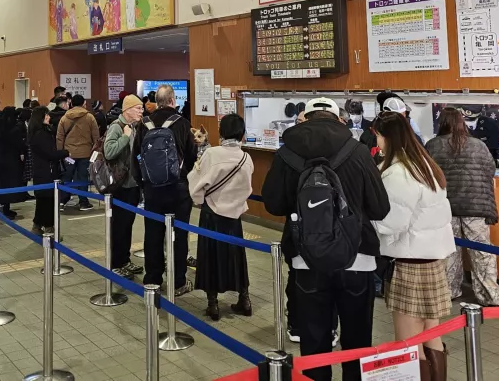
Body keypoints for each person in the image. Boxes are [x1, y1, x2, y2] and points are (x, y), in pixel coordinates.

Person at [262, 97, 390, 381]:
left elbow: (272, 204)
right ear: (340, 120)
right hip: (357, 258)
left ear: (304, 119)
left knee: (314, 341)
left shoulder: (287, 153)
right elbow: (381, 207)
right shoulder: (357, 151)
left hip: (306, 257)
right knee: (357, 341)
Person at [372, 112, 455, 381]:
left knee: (408, 342)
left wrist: (367, 221)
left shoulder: (399, 172)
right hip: (432, 261)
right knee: (431, 335)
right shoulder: (425, 165)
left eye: (378, 136)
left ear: (386, 136)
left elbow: (391, 223)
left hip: (409, 265)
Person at [426, 108, 499, 307]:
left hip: (446, 208)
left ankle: (450, 290)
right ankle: (489, 295)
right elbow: (489, 170)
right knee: (482, 253)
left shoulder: (433, 146)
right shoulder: (478, 145)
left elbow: (427, 175)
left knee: (449, 252)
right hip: (476, 208)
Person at [132, 84, 198, 297]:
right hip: (178, 189)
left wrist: (144, 185)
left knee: (153, 234)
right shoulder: (182, 123)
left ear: (157, 102)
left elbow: (136, 159)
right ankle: (178, 281)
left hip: (152, 190)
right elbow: (191, 157)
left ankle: (152, 280)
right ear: (172, 100)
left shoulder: (143, 124)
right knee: (179, 235)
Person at [188, 113, 254, 321]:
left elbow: (196, 181)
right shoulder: (246, 157)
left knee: (210, 256)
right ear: (242, 134)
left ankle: (213, 304)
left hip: (211, 213)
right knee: (236, 255)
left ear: (221, 132)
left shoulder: (212, 154)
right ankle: (244, 299)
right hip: (234, 216)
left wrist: (199, 199)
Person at [103, 94, 145, 278]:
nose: (141, 111)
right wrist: (125, 138)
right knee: (119, 226)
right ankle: (115, 263)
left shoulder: (134, 126)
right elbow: (109, 151)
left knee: (127, 224)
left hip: (132, 184)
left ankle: (124, 260)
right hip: (120, 186)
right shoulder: (117, 127)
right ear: (127, 110)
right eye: (138, 108)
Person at [29, 105, 69, 234]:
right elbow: (49, 154)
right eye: (46, 115)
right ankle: (49, 228)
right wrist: (65, 153)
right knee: (48, 201)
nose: (48, 117)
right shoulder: (41, 134)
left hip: (42, 172)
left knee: (42, 200)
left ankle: (37, 225)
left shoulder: (39, 132)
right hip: (47, 172)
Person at [56, 94, 99, 210]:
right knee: (83, 177)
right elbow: (96, 137)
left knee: (67, 177)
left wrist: (61, 152)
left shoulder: (64, 118)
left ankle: (62, 201)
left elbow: (59, 137)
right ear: (83, 103)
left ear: (71, 104)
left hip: (68, 154)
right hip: (85, 153)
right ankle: (83, 202)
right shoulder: (90, 117)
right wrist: (95, 152)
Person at [0, 106, 24, 218]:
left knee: (1, 184)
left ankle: (1, 207)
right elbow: (19, 144)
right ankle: (6, 209)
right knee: (9, 185)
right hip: (10, 160)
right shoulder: (15, 129)